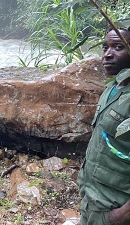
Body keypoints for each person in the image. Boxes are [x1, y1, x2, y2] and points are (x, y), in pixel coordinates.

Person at [77, 28, 130, 225]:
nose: (107, 54)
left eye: (118, 47)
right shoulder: (111, 89)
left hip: (115, 210)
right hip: (92, 202)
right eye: (105, 47)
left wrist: (119, 217)